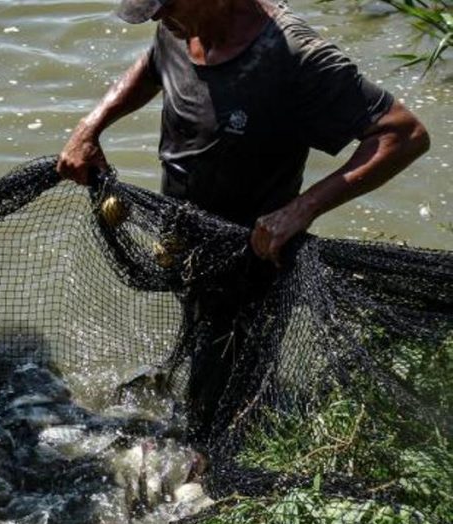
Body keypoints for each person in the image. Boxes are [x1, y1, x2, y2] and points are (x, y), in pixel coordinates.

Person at [58, 0, 429, 442]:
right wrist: (91, 125)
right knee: (204, 351)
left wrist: (301, 209)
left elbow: (403, 134)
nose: (158, 20)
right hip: (188, 242)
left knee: (227, 393)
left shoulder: (295, 55)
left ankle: (216, 456)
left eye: (165, 7)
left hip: (252, 258)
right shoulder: (180, 27)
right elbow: (155, 66)